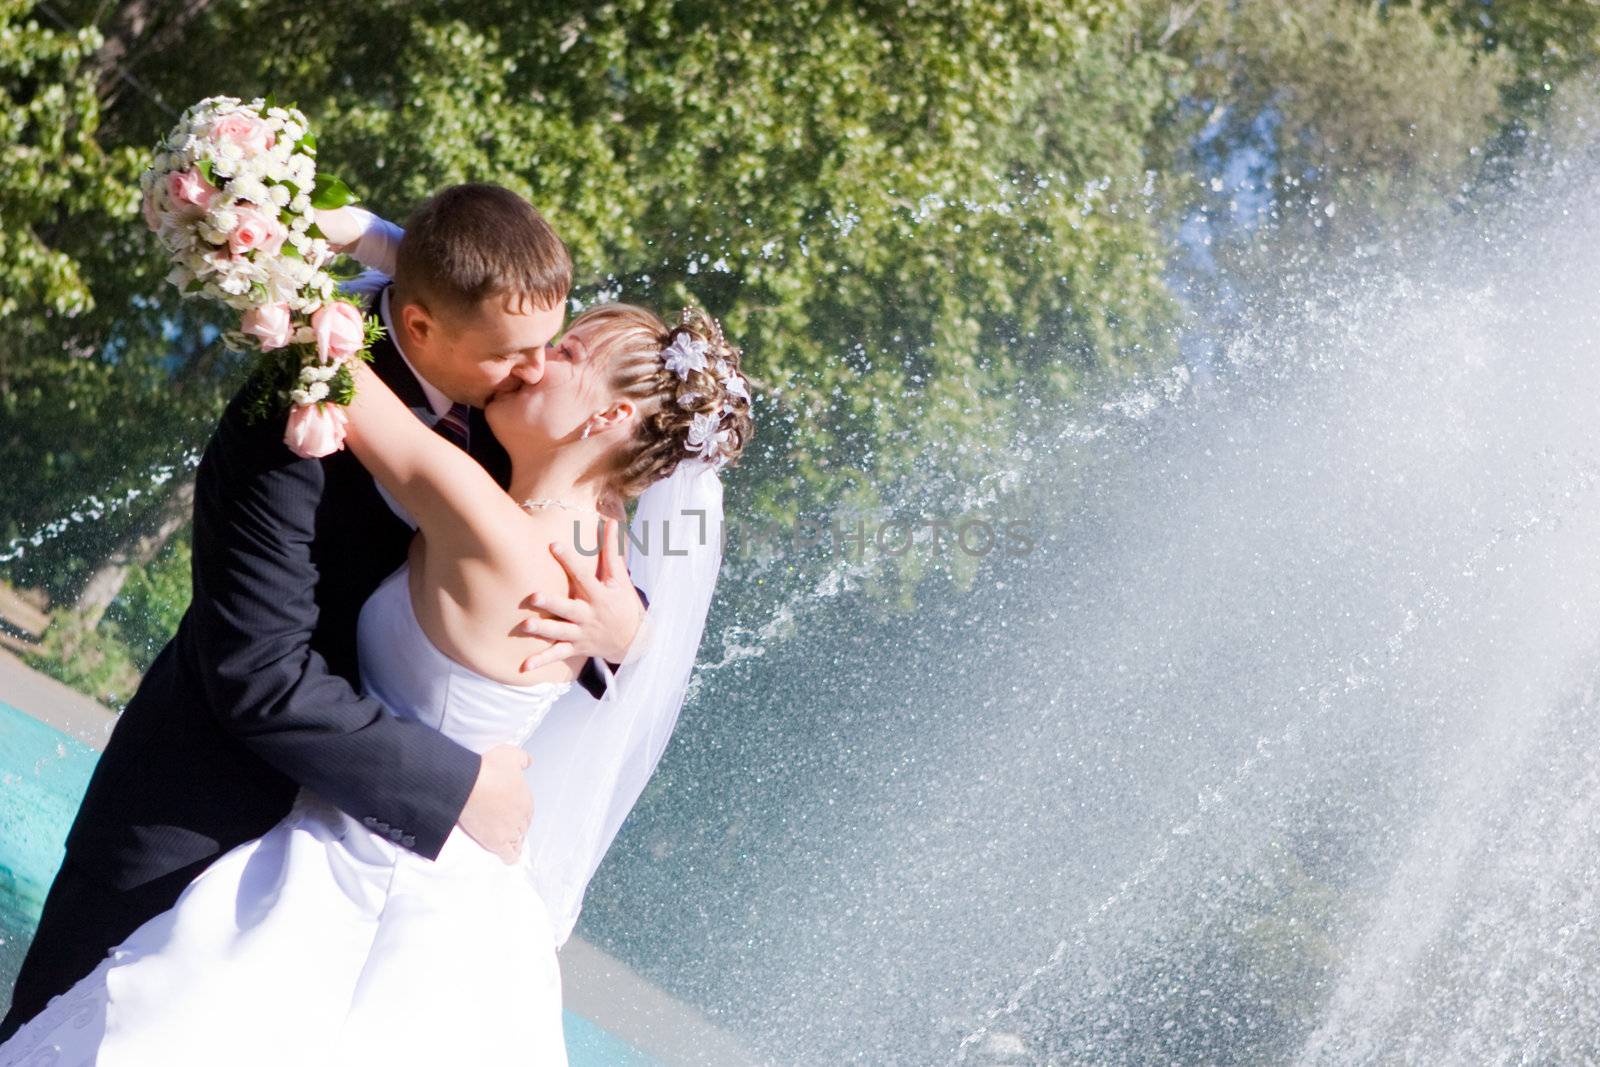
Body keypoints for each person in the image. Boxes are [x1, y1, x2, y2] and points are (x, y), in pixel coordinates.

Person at [0, 250, 752, 1061]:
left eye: (565, 353)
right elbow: (685, 545)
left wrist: (268, 235)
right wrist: (634, 633)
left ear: (608, 420)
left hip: (367, 855)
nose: (534, 361)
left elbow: (337, 370)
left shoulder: (491, 523)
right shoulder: (599, 533)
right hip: (449, 877)